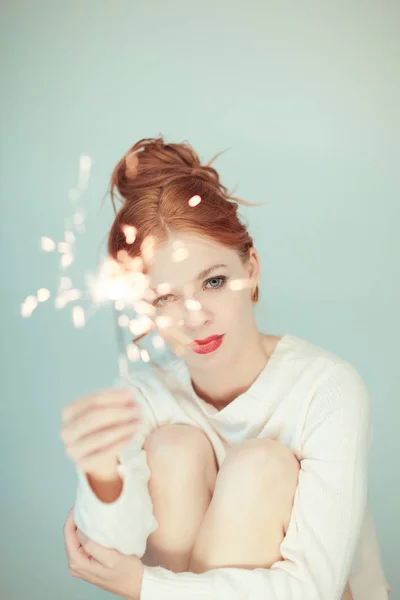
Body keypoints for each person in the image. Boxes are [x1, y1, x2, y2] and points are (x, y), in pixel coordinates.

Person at [61, 137, 390, 600]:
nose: (195, 317)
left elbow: (313, 586)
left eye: (213, 281)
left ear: (250, 267)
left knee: (261, 465)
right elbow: (106, 557)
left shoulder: (327, 390)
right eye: (166, 298)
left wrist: (144, 586)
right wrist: (101, 473)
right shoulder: (144, 395)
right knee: (173, 448)